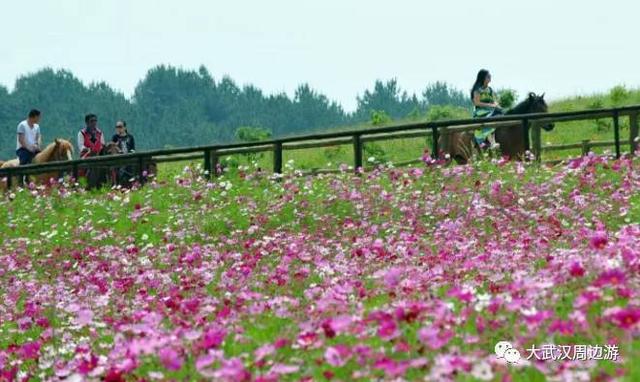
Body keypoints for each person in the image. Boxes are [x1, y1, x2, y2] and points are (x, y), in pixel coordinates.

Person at [471, 69, 502, 145]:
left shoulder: (490, 89)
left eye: (490, 76)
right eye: (488, 76)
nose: (490, 77)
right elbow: (477, 103)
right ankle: (489, 141)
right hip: (481, 112)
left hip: (491, 109)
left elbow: (493, 100)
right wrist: (490, 105)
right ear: (483, 78)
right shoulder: (477, 89)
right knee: (492, 118)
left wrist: (497, 105)